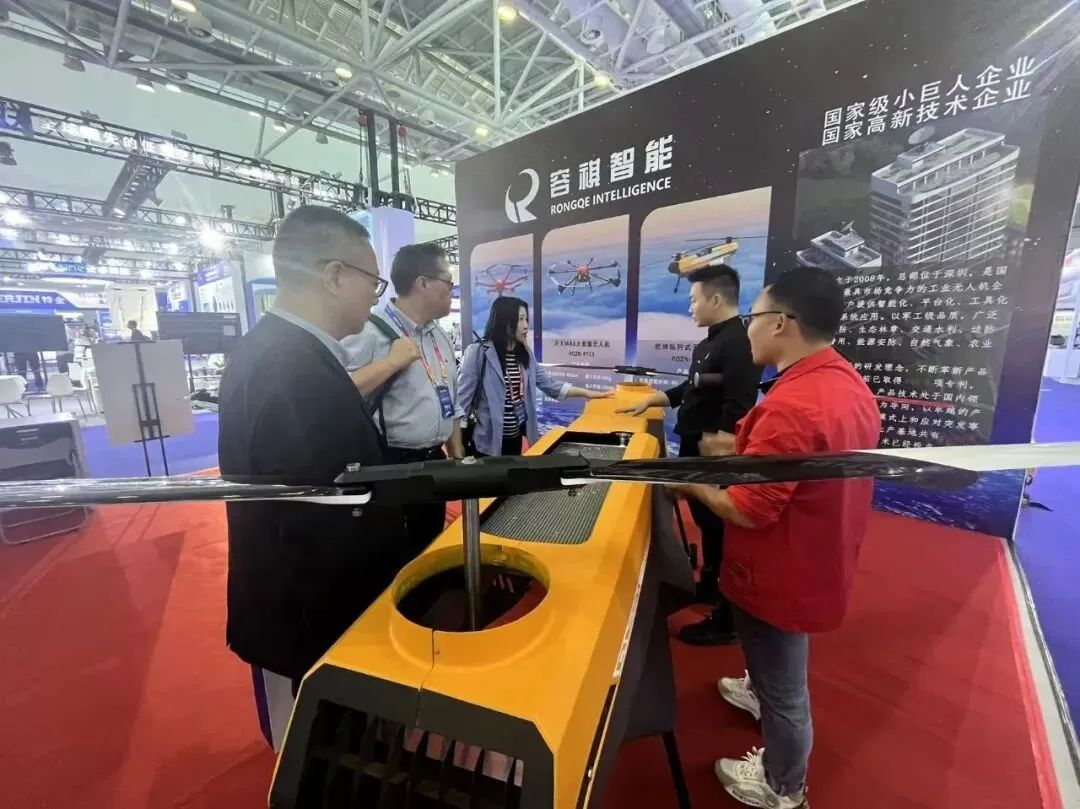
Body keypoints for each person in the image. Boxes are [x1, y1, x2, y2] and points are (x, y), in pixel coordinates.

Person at [668, 268, 881, 809]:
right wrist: (739, 451)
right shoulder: (843, 382)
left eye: (755, 317)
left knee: (785, 687)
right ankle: (756, 687)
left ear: (782, 323)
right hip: (817, 552)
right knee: (773, 659)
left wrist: (686, 483)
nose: (749, 329)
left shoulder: (793, 404)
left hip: (778, 567)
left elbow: (748, 509)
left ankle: (783, 784)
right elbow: (797, 463)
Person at [217, 205, 410, 697]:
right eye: (373, 282)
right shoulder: (288, 366)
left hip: (303, 614)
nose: (375, 296)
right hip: (309, 624)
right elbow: (317, 515)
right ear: (335, 276)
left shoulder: (283, 352)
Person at [617, 265, 760, 646]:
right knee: (706, 522)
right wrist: (653, 399)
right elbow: (693, 388)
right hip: (697, 446)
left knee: (720, 529)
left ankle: (728, 617)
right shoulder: (710, 343)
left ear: (716, 299)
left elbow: (740, 401)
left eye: (694, 300)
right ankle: (711, 586)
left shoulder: (739, 343)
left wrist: (723, 446)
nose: (690, 307)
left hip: (715, 453)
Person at [343, 242, 463, 555]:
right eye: (448, 282)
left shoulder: (438, 336)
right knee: (394, 552)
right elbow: (339, 394)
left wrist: (457, 453)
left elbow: (450, 399)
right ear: (423, 283)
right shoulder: (369, 333)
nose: (452, 290)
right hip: (392, 465)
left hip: (434, 461)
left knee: (428, 545)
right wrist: (391, 364)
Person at [457, 296, 613, 456]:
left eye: (526, 319)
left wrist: (587, 393)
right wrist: (457, 444)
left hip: (515, 439)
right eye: (520, 319)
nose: (526, 326)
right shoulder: (477, 352)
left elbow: (550, 385)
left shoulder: (525, 353)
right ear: (504, 321)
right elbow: (462, 402)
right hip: (485, 442)